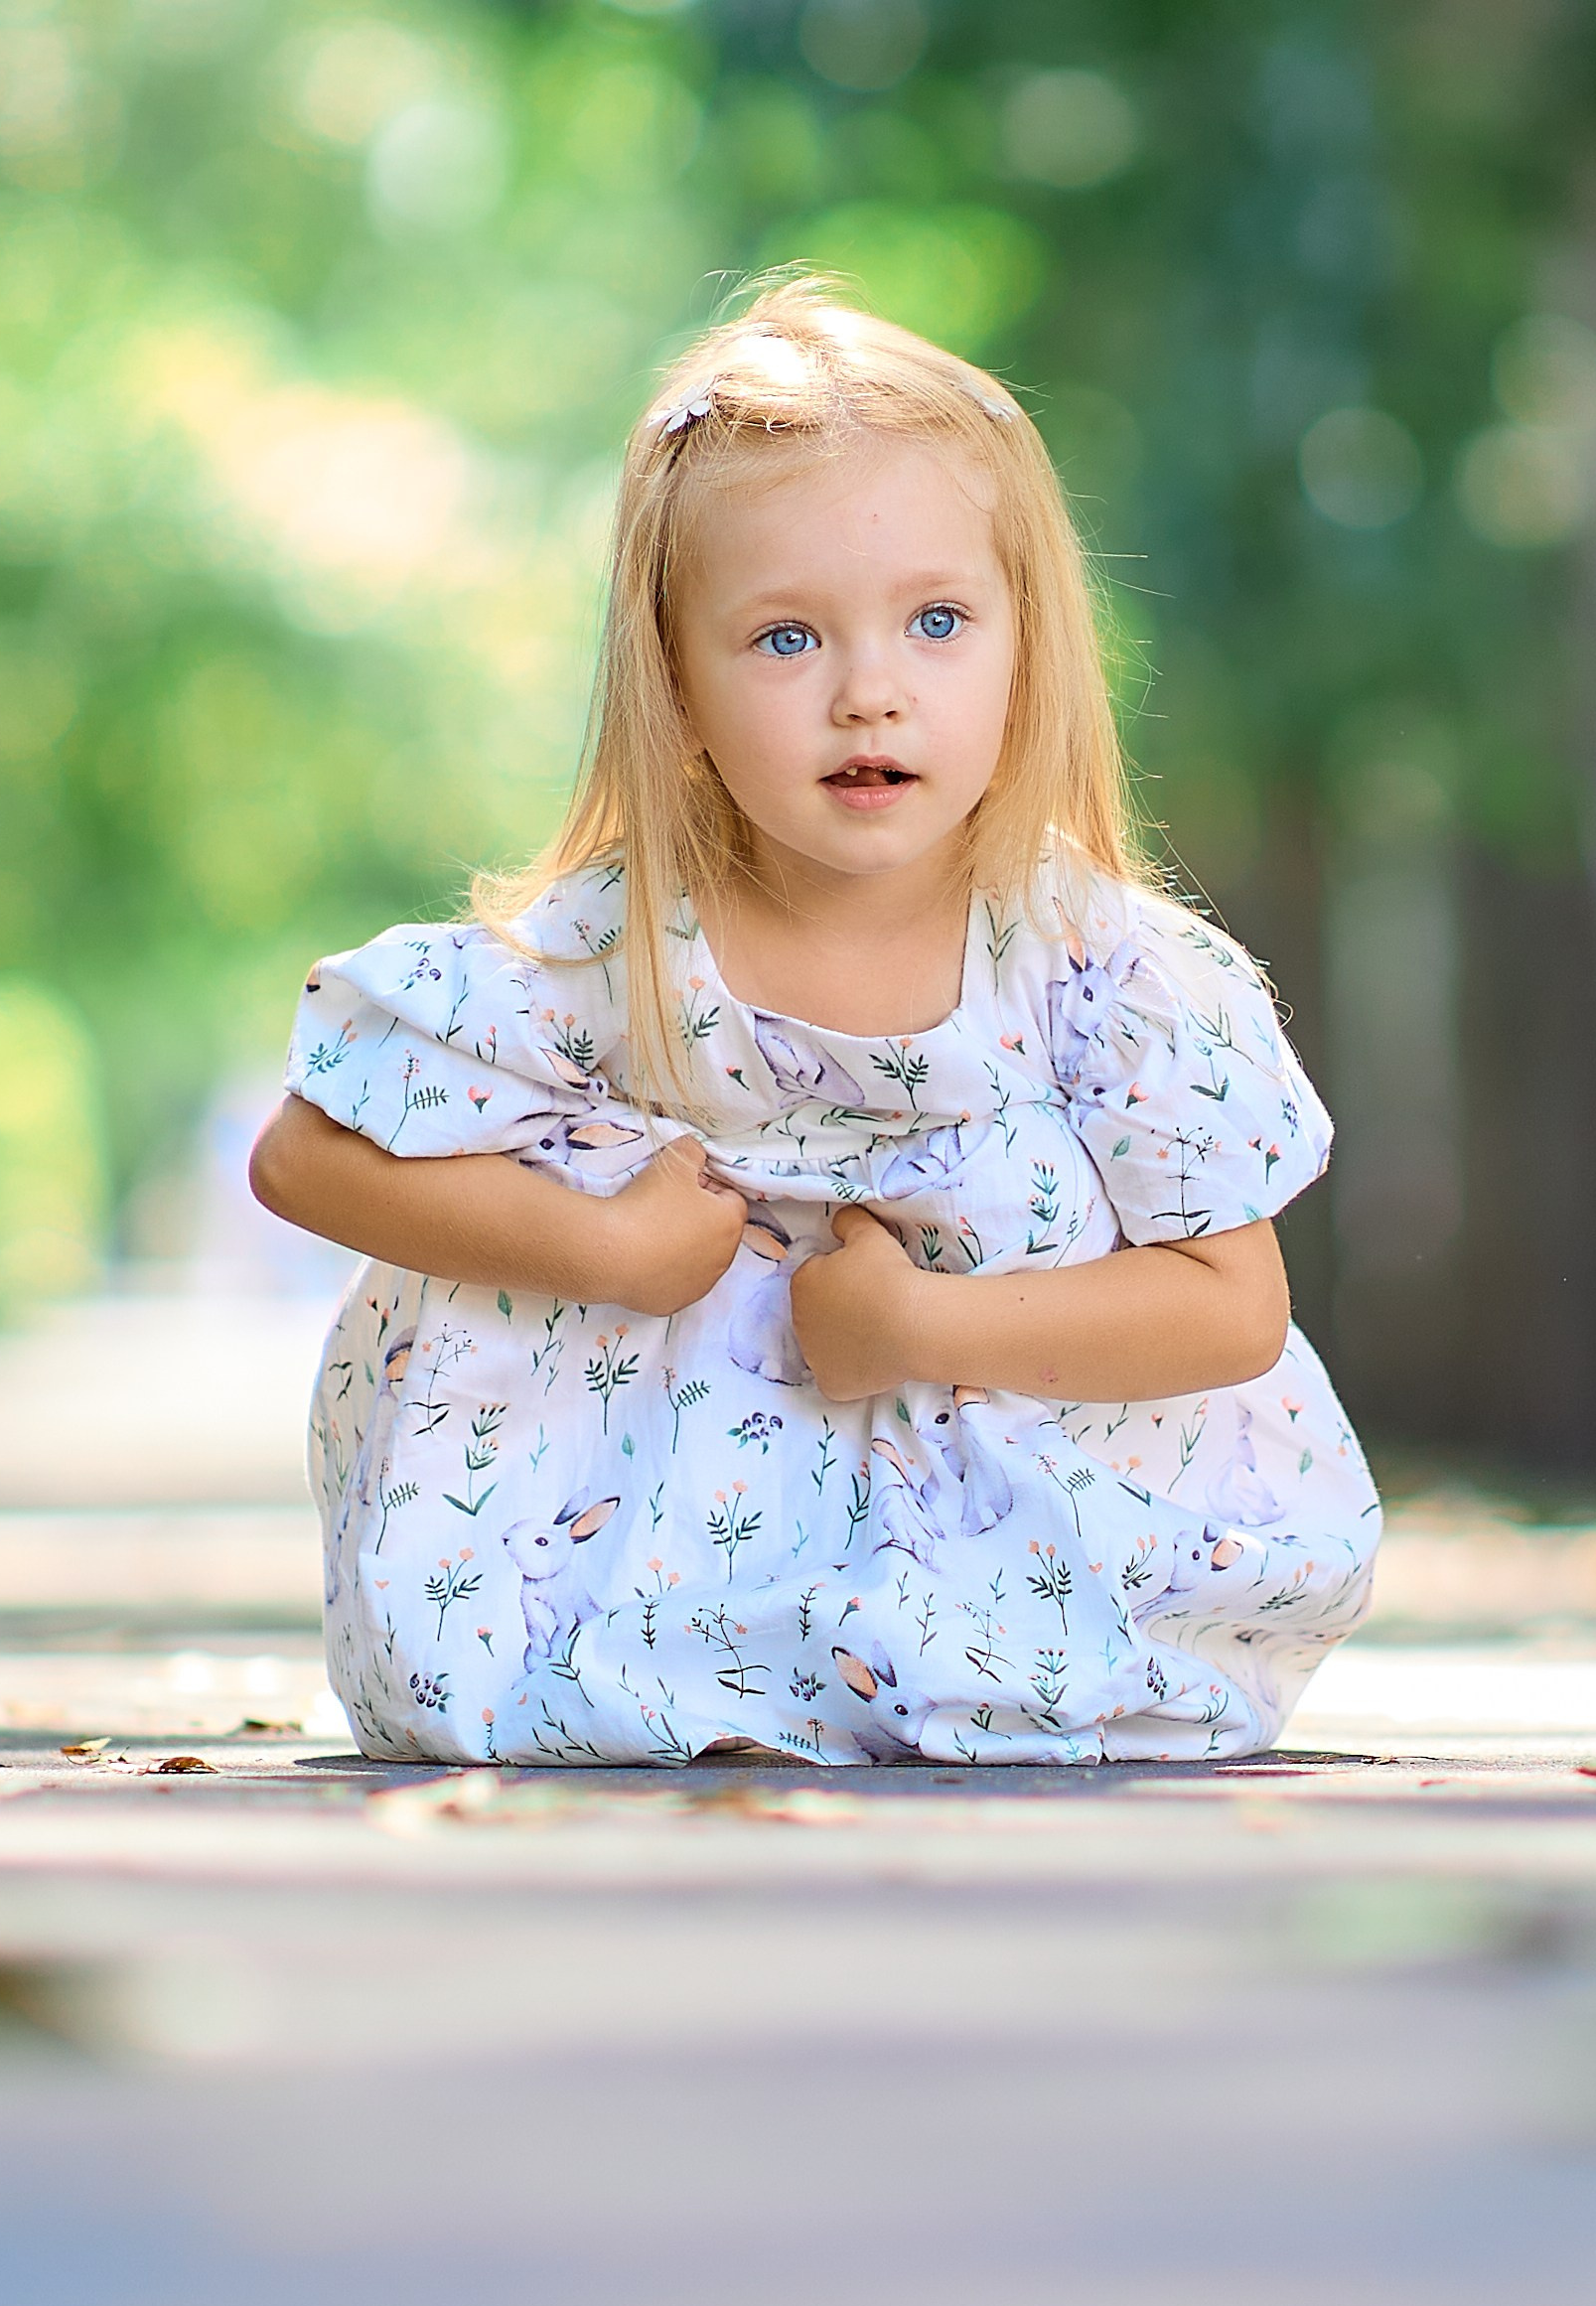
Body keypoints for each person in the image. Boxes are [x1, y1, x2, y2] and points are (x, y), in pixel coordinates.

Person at [248, 278, 1379, 1766]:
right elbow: (305, 1157)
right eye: (786, 640)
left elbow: (1232, 1305)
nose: (869, 694)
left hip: (1006, 1522)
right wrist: (601, 1245)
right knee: (582, 1658)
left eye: (936, 622)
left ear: (1026, 649)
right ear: (678, 686)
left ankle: (937, 1661)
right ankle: (679, 1660)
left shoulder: (1103, 972)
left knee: (1028, 1663)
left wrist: (924, 1321)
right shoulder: (614, 951)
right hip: (656, 1533)